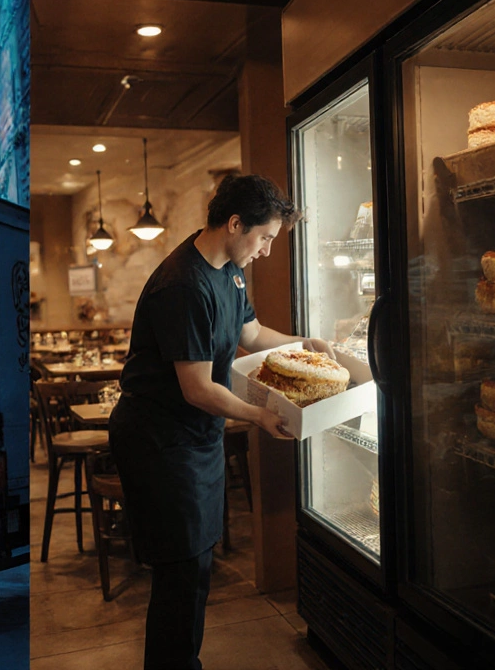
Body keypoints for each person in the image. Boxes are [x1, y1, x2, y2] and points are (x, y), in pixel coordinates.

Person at [108, 173, 334, 670]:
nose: (268, 251)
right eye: (266, 238)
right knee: (181, 573)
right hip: (160, 441)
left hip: (194, 437)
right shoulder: (182, 284)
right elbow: (199, 388)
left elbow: (250, 333)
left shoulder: (229, 270)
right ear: (235, 224)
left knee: (196, 565)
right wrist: (262, 414)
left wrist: (305, 344)